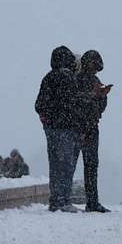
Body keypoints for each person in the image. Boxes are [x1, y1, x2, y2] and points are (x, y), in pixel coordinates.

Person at [35, 46, 83, 214]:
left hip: (51, 128)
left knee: (55, 165)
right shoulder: (69, 78)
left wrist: (47, 118)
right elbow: (74, 104)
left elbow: (39, 104)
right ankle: (64, 200)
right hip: (67, 128)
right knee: (66, 165)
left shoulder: (48, 77)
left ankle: (55, 200)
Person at [74, 50, 111, 213]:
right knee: (72, 164)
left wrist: (102, 96)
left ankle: (92, 201)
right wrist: (93, 95)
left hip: (92, 126)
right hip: (78, 127)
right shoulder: (76, 79)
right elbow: (74, 101)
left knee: (91, 166)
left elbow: (100, 107)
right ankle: (63, 200)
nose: (95, 70)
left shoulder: (95, 79)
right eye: (93, 66)